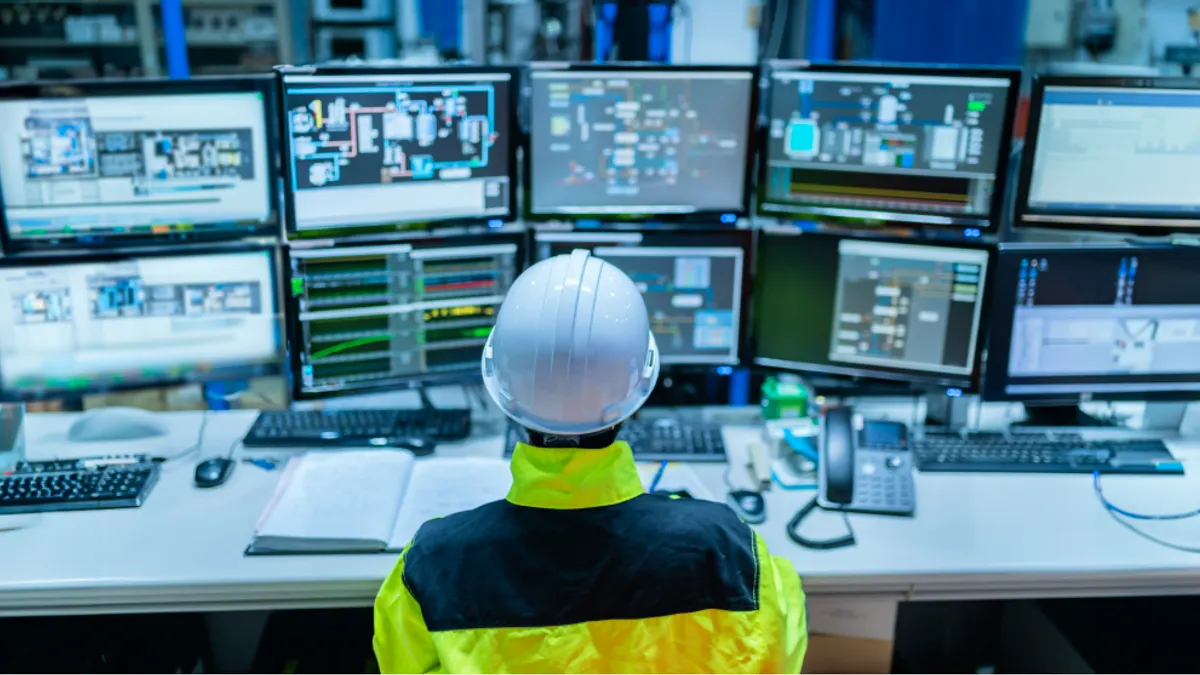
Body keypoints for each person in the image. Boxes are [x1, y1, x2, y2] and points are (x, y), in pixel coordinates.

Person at [374, 250, 808, 673]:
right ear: (638, 391)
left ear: (503, 393)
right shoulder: (731, 554)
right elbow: (778, 656)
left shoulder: (431, 564)